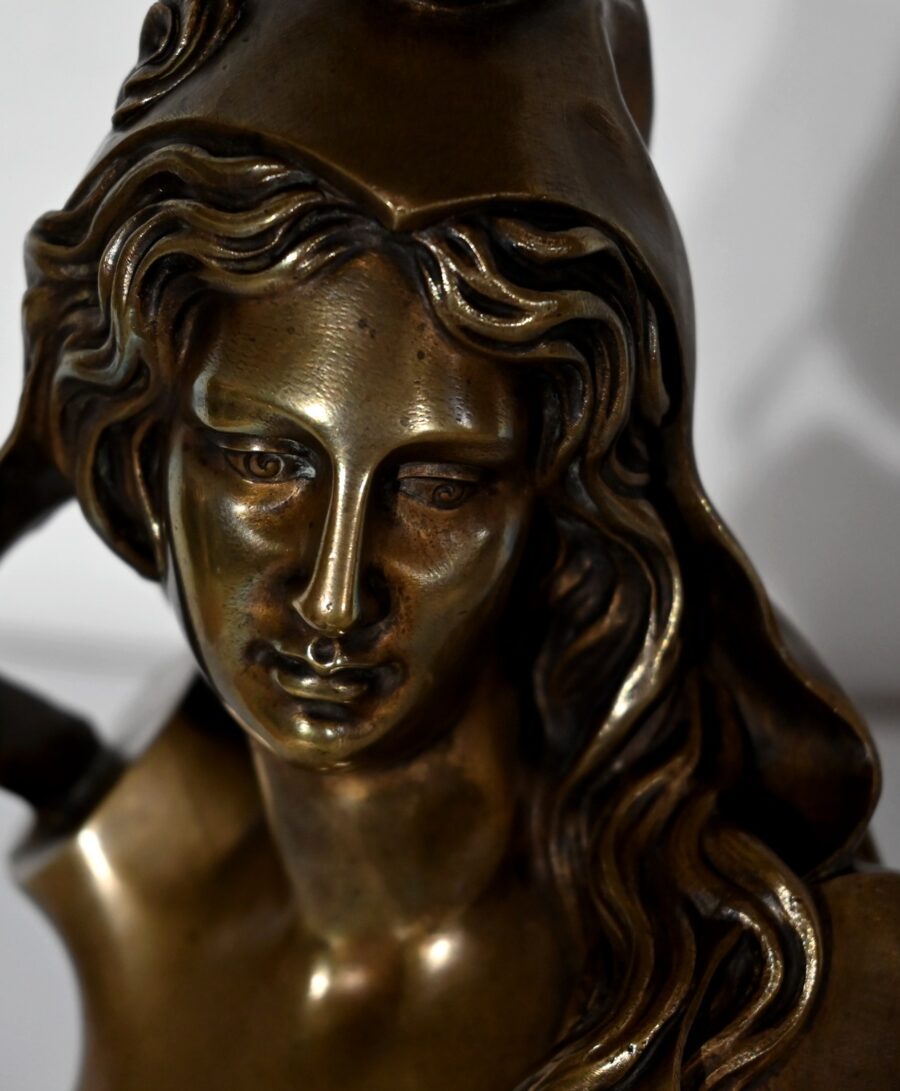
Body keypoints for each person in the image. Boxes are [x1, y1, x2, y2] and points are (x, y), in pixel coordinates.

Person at [1, 1, 897, 1088]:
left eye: (438, 487)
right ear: (146, 451)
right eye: (264, 461)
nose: (334, 598)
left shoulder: (772, 998)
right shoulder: (147, 855)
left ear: (560, 504)